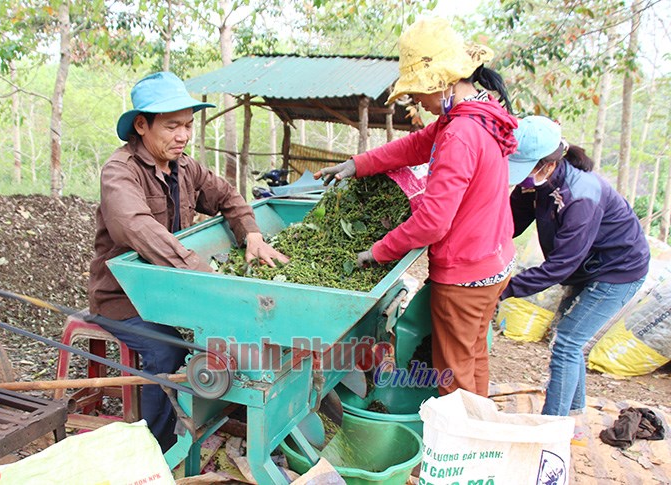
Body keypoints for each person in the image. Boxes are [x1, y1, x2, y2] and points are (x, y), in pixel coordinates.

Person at [315, 17, 518, 397]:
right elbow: (413, 146)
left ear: (441, 82)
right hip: (494, 260)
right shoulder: (476, 114)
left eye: (418, 93)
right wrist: (357, 165)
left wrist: (376, 252)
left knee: (453, 376)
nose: (417, 102)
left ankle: (461, 448)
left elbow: (432, 222)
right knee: (474, 354)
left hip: (466, 274)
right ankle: (480, 435)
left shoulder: (460, 133)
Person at [88, 71, 288, 450]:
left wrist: (252, 234)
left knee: (235, 335)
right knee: (167, 350)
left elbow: (227, 195)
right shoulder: (120, 172)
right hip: (124, 299)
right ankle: (155, 448)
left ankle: (231, 417)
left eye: (188, 125)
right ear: (142, 125)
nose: (183, 135)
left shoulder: (185, 167)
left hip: (175, 292)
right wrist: (203, 274)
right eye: (172, 126)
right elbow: (137, 229)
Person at [502, 115, 649, 417]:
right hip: (588, 265)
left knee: (568, 341)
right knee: (567, 336)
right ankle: (575, 413)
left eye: (526, 170)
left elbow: (560, 266)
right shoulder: (535, 182)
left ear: (549, 164)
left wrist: (504, 289)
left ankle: (552, 425)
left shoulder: (581, 196)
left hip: (618, 271)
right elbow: (509, 224)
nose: (521, 178)